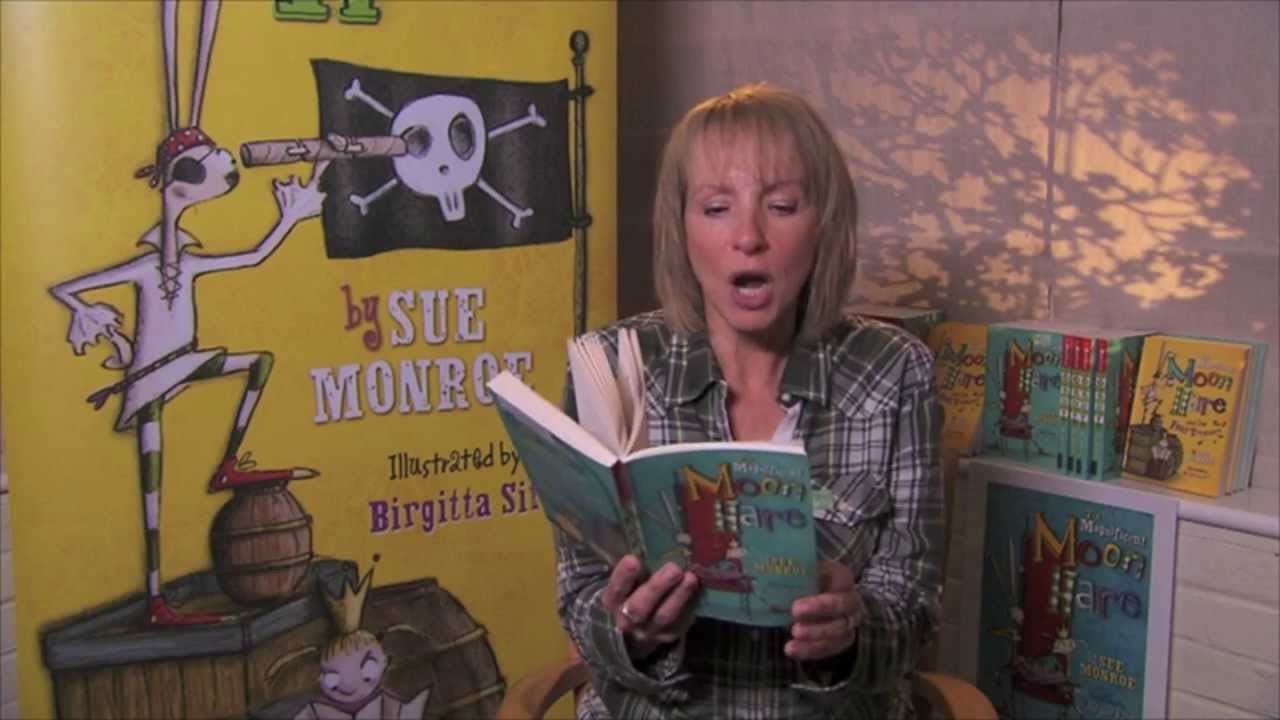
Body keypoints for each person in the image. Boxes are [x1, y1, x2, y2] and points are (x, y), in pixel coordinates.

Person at [555, 82, 943, 719]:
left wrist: (853, 632)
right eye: (716, 208)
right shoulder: (612, 369)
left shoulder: (895, 371)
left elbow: (916, 605)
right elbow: (579, 597)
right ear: (681, 229)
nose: (748, 236)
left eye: (782, 206)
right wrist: (633, 634)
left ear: (824, 226)